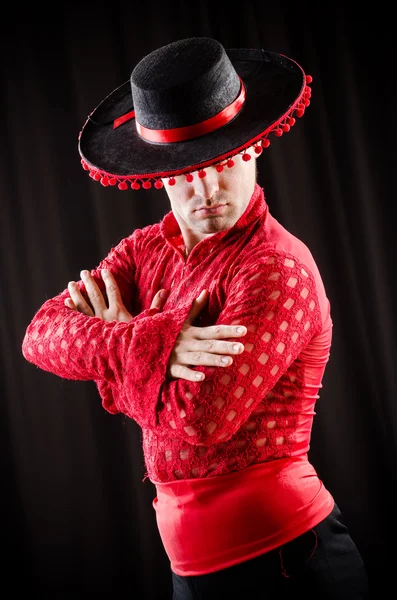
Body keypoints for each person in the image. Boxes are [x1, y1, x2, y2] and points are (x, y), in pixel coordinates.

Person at [22, 37, 369, 599]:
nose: (205, 189)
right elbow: (40, 335)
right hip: (190, 574)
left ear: (254, 149)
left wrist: (112, 347)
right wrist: (150, 342)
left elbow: (202, 421)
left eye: (221, 161)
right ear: (161, 173)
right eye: (185, 170)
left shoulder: (275, 267)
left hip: (291, 564)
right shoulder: (144, 252)